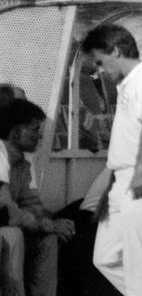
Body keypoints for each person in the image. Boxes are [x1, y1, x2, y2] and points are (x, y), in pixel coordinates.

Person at [82, 23, 142, 296]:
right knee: (104, 258)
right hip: (123, 179)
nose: (100, 70)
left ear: (114, 51)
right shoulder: (129, 84)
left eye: (100, 62)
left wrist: (139, 171)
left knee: (136, 265)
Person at [0, 98, 76, 296]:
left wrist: (47, 223)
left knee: (48, 239)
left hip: (10, 223)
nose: (39, 136)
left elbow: (34, 205)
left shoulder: (26, 160)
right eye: (35, 129)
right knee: (14, 235)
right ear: (16, 132)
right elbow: (6, 210)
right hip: (5, 225)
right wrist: (41, 222)